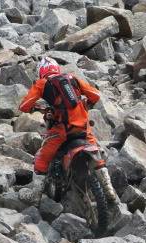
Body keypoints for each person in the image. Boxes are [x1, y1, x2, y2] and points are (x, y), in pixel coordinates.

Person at [19, 57, 123, 216]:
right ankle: (109, 188)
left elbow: (24, 106)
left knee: (42, 158)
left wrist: (35, 108)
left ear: (42, 72)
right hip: (83, 129)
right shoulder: (72, 78)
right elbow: (95, 95)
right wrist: (84, 105)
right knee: (98, 152)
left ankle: (35, 195)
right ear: (56, 69)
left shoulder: (42, 83)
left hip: (61, 131)